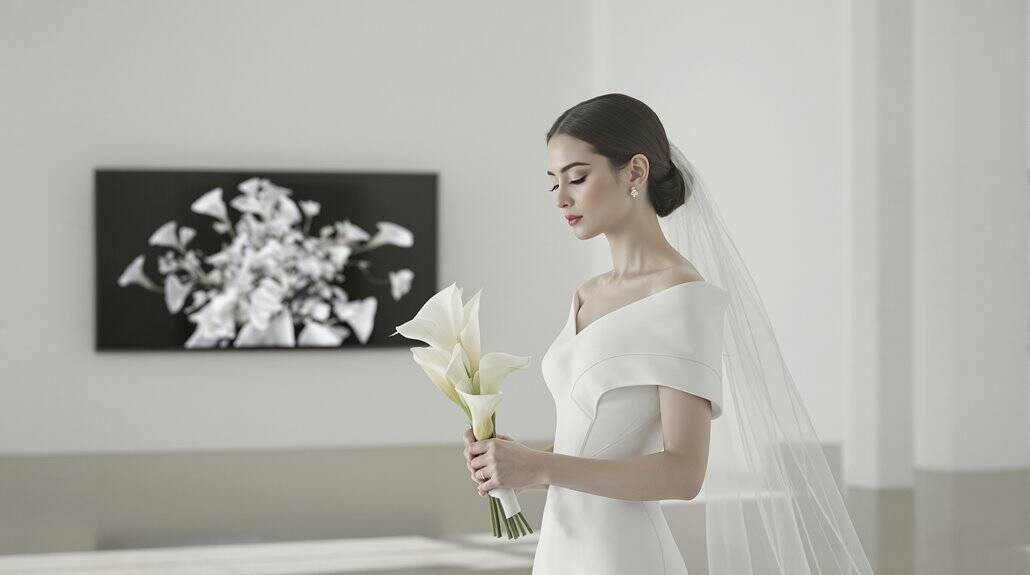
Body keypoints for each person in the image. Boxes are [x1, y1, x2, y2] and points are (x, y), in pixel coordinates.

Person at [463, 93, 875, 574]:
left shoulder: (680, 297)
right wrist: (518, 460)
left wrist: (541, 468)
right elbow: (599, 443)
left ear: (635, 172)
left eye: (577, 177)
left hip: (625, 557)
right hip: (561, 548)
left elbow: (684, 472)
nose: (562, 198)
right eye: (553, 183)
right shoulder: (587, 293)